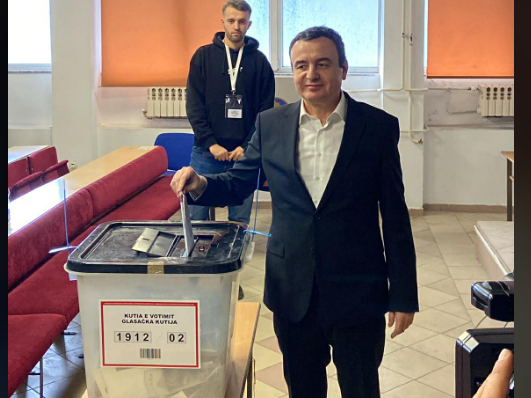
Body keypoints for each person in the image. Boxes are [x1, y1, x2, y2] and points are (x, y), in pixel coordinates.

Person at [172, 26, 418, 398]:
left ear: (343, 69)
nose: (311, 74)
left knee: (362, 388)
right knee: (302, 390)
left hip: (358, 288)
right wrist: (201, 183)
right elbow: (239, 181)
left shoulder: (378, 128)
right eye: (301, 65)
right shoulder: (270, 124)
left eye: (323, 63)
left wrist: (403, 293)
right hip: (292, 289)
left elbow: (396, 216)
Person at [185, 0, 275, 225]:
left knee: (239, 221)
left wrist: (247, 147)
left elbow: (264, 113)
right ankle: (201, 250)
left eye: (242, 21)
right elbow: (194, 106)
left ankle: (235, 251)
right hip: (206, 152)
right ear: (222, 22)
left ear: (249, 24)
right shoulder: (203, 57)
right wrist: (211, 144)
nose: (236, 26)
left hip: (243, 155)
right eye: (231, 20)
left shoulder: (260, 62)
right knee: (197, 219)